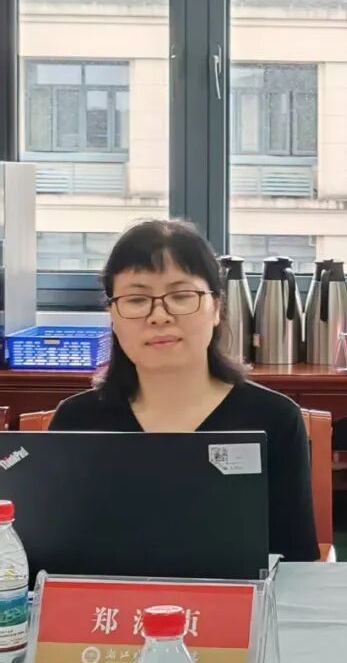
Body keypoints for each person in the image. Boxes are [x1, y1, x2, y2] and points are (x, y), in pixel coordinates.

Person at [49, 219, 319, 562]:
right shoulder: (76, 421)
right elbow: (49, 557)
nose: (159, 316)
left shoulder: (274, 419)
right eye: (136, 299)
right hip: (109, 598)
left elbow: (296, 561)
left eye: (181, 296)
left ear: (216, 308)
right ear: (112, 316)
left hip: (237, 598)